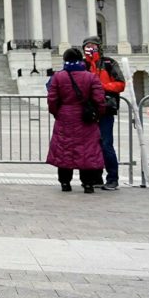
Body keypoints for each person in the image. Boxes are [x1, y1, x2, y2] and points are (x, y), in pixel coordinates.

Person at [46, 48, 106, 193]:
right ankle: (88, 184)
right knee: (87, 150)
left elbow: (52, 100)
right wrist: (97, 115)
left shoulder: (58, 77)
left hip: (65, 116)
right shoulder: (90, 77)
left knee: (64, 150)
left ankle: (65, 183)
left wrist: (57, 113)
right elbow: (99, 100)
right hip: (85, 118)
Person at [81, 36, 126, 190]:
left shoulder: (109, 63)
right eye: (87, 46)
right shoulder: (82, 64)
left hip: (106, 108)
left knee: (106, 144)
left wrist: (101, 86)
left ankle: (112, 178)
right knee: (90, 145)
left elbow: (120, 84)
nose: (90, 48)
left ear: (99, 47)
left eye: (93, 45)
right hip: (87, 109)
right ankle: (96, 177)